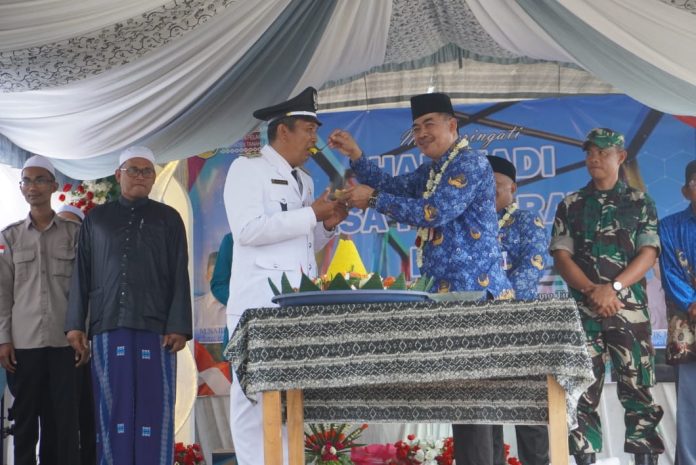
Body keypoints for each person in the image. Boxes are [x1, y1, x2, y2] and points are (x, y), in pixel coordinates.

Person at [328, 92, 513, 465]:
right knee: (472, 398)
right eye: (416, 127)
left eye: (429, 123)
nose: (422, 133)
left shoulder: (470, 163)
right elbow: (394, 186)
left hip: (472, 296)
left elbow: (433, 211)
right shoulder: (436, 169)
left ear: (452, 125)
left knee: (472, 398)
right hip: (450, 297)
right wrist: (358, 157)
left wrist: (373, 199)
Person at [223, 87, 347, 465]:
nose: (314, 139)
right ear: (282, 131)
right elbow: (248, 231)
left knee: (291, 400)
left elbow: (303, 242)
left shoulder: (304, 180)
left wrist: (327, 224)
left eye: (315, 130)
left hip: (295, 306)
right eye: (308, 130)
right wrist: (311, 214)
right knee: (254, 400)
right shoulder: (247, 169)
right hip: (258, 305)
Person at [65, 146, 192, 465]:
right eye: (133, 170)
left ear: (153, 178)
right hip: (108, 325)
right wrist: (76, 324)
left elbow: (179, 272)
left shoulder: (168, 219)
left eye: (147, 171)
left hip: (157, 329)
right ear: (118, 174)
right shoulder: (97, 219)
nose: (140, 176)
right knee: (113, 407)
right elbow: (82, 273)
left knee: (154, 407)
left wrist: (178, 325)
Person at [550, 128, 664, 465]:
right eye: (589, 152)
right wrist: (592, 291)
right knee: (580, 394)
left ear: (621, 156)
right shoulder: (571, 204)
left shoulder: (640, 202)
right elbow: (561, 256)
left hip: (629, 313)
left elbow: (648, 253)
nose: (594, 158)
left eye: (602, 152)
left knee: (638, 392)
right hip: (584, 315)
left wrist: (612, 289)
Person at [0, 155, 81, 464]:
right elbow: (2, 293)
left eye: (40, 180)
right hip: (24, 344)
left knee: (62, 422)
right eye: (27, 181)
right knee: (24, 420)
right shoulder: (9, 237)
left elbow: (84, 289)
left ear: (54, 186)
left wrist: (83, 330)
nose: (32, 187)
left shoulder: (74, 234)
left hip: (65, 342)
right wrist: (3, 339)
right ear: (21, 187)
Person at [487, 155, 550, 465]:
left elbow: (531, 268)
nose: (489, 191)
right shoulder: (469, 223)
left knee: (528, 410)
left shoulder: (527, 220)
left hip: (520, 326)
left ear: (512, 188)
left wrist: (502, 306)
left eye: (496, 185)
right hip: (480, 330)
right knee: (486, 412)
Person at [658, 159, 696, 465]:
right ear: (685, 191)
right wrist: (692, 302)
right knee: (691, 402)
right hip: (688, 321)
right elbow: (669, 273)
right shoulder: (669, 226)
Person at [57, 202, 97, 465]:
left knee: (90, 414)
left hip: (92, 348)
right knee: (61, 417)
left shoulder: (95, 260)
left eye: (73, 226)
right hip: (56, 349)